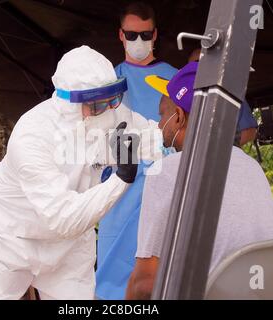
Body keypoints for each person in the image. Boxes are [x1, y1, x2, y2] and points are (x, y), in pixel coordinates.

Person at [0, 45, 162, 300]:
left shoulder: (111, 113)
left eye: (114, 98)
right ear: (69, 102)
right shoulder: (32, 136)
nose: (110, 110)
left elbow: (159, 137)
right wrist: (120, 180)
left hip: (67, 247)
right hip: (5, 237)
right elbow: (63, 218)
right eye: (98, 104)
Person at [125, 62, 273, 299]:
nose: (158, 124)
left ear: (178, 117)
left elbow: (145, 284)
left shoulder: (167, 171)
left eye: (162, 114)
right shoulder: (253, 168)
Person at [96, 1, 178, 300]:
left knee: (165, 274)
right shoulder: (107, 82)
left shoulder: (176, 79)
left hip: (166, 186)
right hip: (120, 189)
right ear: (120, 35)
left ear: (155, 34)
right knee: (113, 280)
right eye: (131, 35)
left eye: (145, 35)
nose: (138, 42)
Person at [188, 48, 258, 146]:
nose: (197, 68)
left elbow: (249, 131)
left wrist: (219, 149)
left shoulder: (230, 93)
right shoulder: (182, 95)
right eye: (193, 65)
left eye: (202, 62)